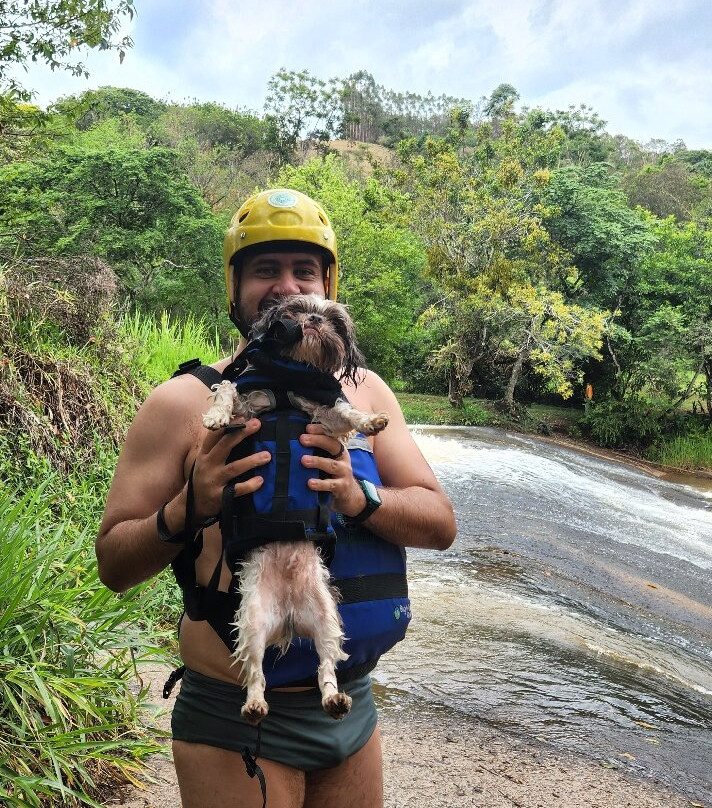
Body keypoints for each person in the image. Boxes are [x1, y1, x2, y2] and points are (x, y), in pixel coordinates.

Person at [97, 188, 456, 808]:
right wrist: (190, 506)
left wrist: (358, 496)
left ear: (328, 288)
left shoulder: (365, 393)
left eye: (305, 271)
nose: (287, 287)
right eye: (266, 269)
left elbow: (439, 521)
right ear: (234, 288)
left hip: (351, 706)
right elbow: (114, 565)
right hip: (237, 715)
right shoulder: (185, 403)